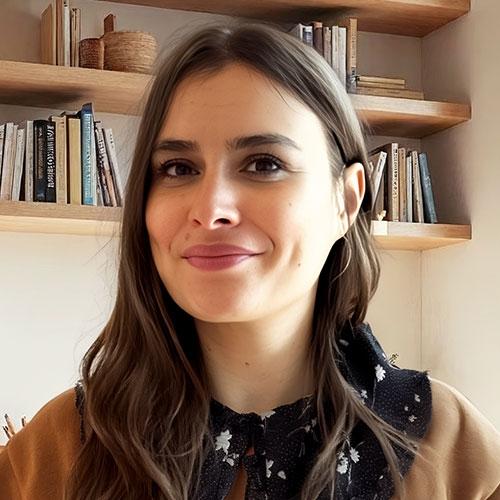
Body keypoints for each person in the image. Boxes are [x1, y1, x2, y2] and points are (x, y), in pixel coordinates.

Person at [1, 20, 500, 500]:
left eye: (264, 164)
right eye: (178, 168)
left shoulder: (454, 454)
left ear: (346, 201)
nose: (210, 209)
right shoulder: (55, 452)